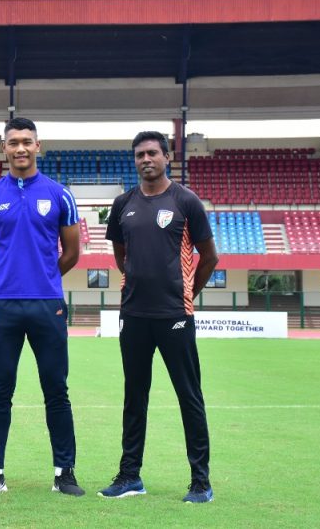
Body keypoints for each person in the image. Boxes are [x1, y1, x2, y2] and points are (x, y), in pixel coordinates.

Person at [101, 130, 219, 504]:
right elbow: (122, 254)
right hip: (134, 315)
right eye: (139, 154)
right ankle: (130, 476)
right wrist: (135, 280)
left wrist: (186, 293)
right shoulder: (123, 204)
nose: (146, 159)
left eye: (152, 153)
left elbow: (210, 257)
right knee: (134, 397)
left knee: (189, 397)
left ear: (166, 157)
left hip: (174, 316)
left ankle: (200, 482)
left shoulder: (186, 201)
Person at [0, 117, 85, 496]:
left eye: (27, 141)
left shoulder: (59, 195)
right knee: (0, 389)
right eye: (13, 142)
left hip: (47, 305)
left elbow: (71, 253)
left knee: (56, 389)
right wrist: (3, 278)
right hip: (1, 305)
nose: (20, 148)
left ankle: (64, 472)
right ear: (3, 148)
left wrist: (44, 278)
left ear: (39, 146)